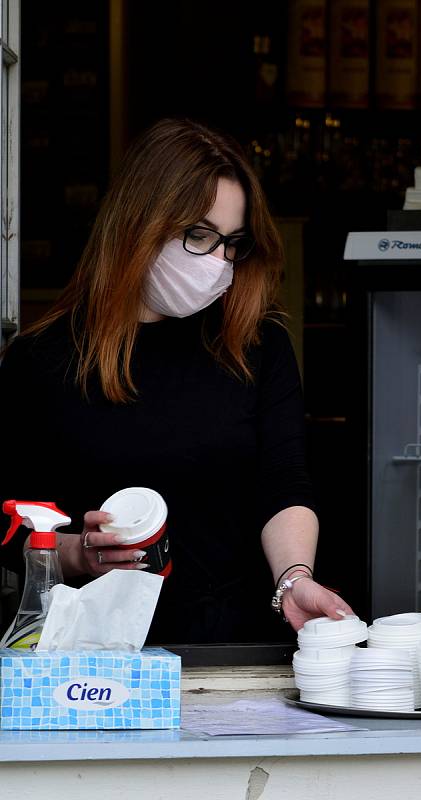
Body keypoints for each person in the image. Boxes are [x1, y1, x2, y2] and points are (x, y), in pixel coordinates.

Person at [0, 118, 354, 644]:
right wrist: (76, 554)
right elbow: (8, 517)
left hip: (233, 649)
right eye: (199, 235)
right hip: (91, 657)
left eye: (232, 243)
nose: (218, 262)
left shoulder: (256, 345)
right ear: (139, 224)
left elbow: (283, 482)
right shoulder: (42, 359)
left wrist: (294, 579)